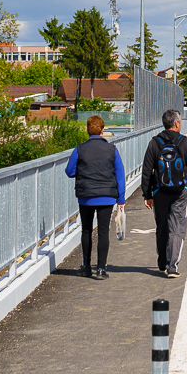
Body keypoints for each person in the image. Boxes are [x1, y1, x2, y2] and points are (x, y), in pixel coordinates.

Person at [142, 109, 187, 278]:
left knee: (161, 226)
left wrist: (147, 194)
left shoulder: (154, 142)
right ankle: (172, 266)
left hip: (159, 190)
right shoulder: (185, 142)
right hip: (181, 191)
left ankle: (162, 262)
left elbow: (147, 170)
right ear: (176, 123)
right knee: (177, 227)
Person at [65, 114, 125, 279]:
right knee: (103, 232)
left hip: (86, 196)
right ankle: (101, 269)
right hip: (107, 196)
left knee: (86, 230)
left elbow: (69, 171)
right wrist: (121, 199)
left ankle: (85, 267)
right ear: (102, 130)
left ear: (87, 131)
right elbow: (119, 175)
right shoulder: (112, 150)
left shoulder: (80, 149)